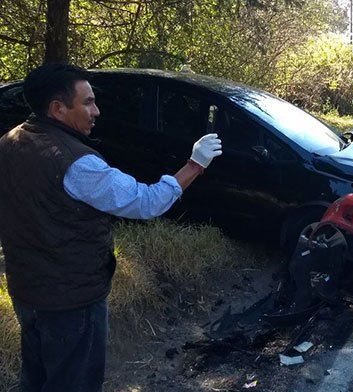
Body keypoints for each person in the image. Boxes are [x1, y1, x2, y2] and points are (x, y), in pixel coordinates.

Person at [0, 63, 223, 391]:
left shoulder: (9, 141)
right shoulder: (78, 165)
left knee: (36, 379)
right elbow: (147, 202)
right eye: (88, 102)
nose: (97, 111)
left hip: (26, 290)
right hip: (72, 302)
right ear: (58, 109)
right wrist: (195, 164)